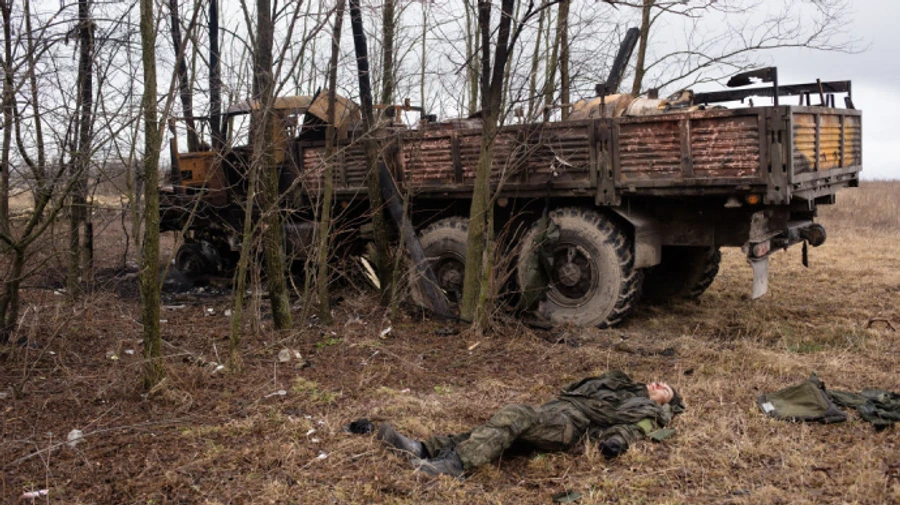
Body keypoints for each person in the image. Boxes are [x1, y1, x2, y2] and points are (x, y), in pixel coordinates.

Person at [377, 370, 684, 477]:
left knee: (515, 414)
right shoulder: (622, 386)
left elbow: (631, 431)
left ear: (665, 402)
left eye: (665, 389)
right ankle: (422, 449)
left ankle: (456, 466)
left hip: (568, 427)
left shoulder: (648, 413)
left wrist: (615, 444)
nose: (658, 385)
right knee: (497, 431)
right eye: (658, 382)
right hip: (554, 413)